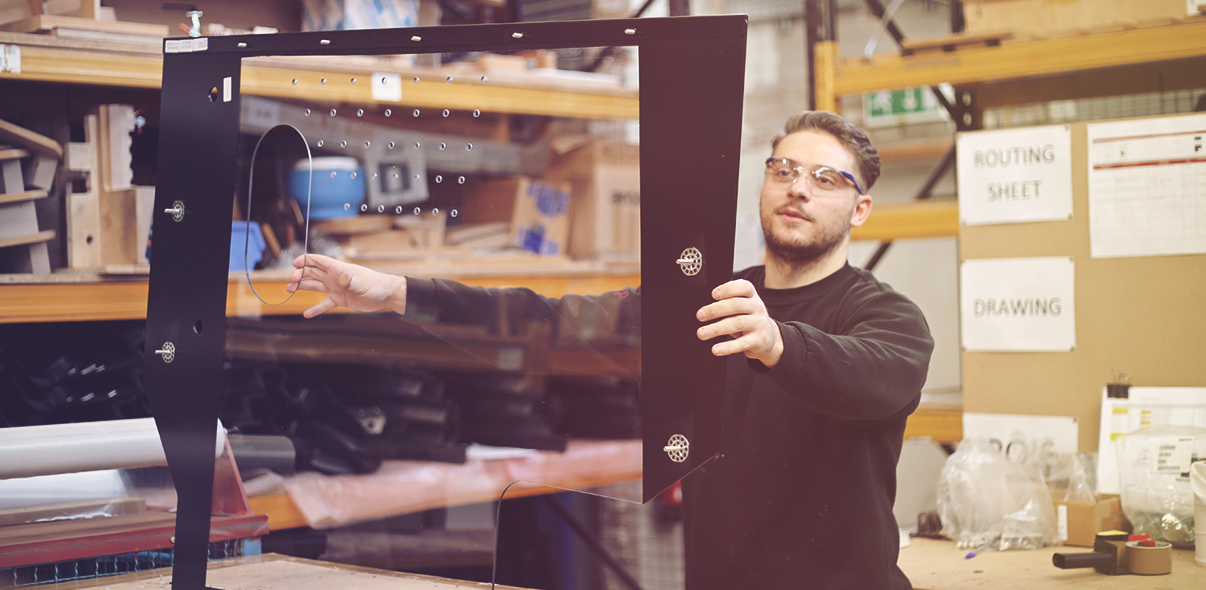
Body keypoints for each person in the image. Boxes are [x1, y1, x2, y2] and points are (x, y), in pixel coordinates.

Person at [286, 111, 933, 589]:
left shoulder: (885, 317)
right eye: (784, 170)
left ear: (860, 209)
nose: (799, 188)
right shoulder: (707, 302)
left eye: (825, 178)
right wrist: (398, 292)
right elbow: (546, 318)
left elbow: (875, 381)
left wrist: (776, 342)